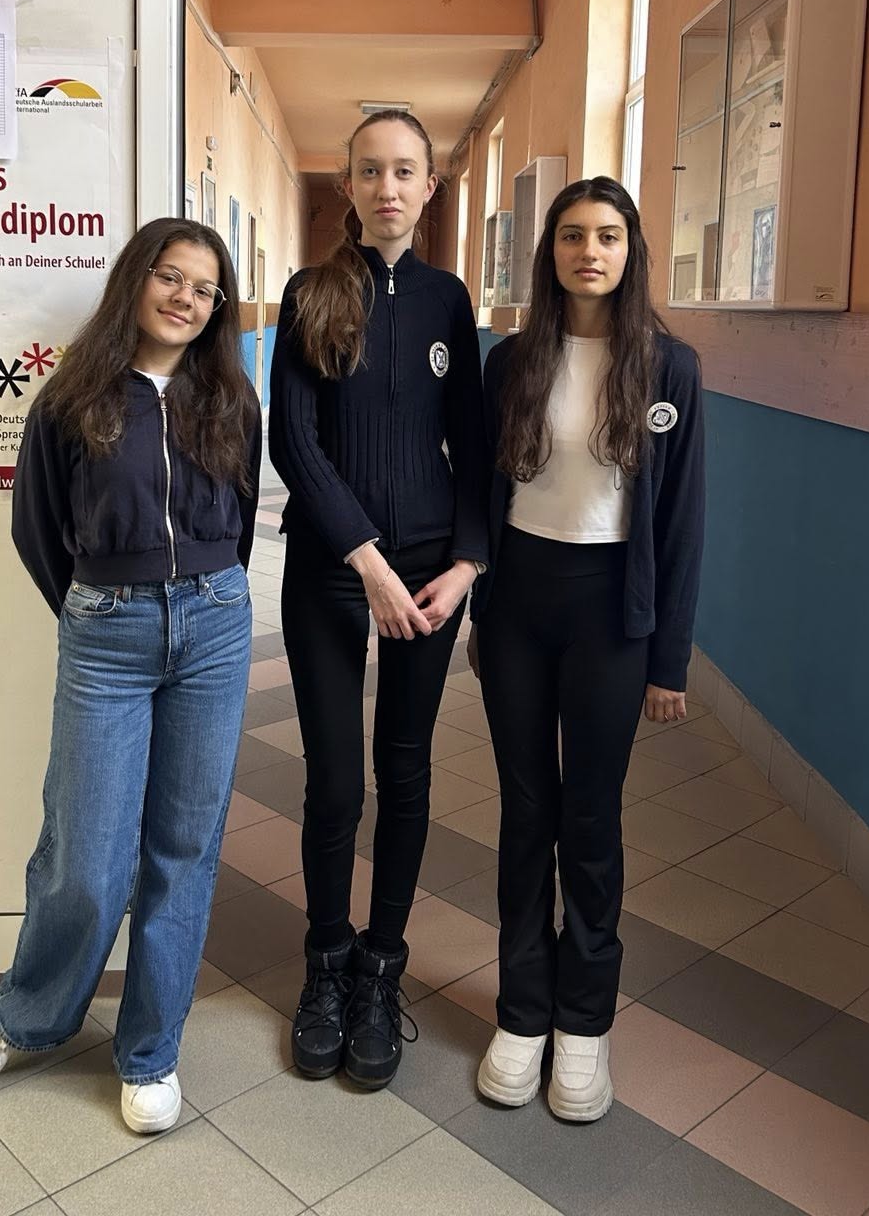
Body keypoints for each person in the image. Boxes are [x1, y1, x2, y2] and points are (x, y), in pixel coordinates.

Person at [0, 218, 261, 1134]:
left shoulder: (231, 399)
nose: (185, 298)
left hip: (215, 625)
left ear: (218, 308)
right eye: (170, 277)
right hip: (106, 635)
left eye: (204, 289)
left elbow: (239, 523)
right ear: (136, 279)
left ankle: (150, 1050)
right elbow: (37, 526)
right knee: (85, 854)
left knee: (183, 848)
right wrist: (98, 608)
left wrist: (203, 594)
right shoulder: (73, 395)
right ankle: (26, 1017)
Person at [471, 176, 704, 1123]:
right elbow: (483, 493)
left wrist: (668, 660)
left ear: (631, 249)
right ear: (551, 251)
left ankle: (583, 1023)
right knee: (528, 811)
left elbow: (681, 521)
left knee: (591, 818)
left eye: (608, 236)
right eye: (572, 236)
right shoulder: (510, 362)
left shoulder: (670, 368)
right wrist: (479, 606)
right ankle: (523, 1013)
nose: (589, 252)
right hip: (520, 605)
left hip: (613, 612)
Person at [269, 110, 488, 1090]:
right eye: (370, 171)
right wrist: (365, 556)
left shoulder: (448, 300)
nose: (388, 187)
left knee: (404, 771)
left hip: (432, 570)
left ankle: (380, 966)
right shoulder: (310, 294)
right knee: (335, 782)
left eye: (405, 171)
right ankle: (325, 962)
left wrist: (468, 561)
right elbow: (294, 441)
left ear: (429, 186)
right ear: (347, 185)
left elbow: (474, 442)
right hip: (333, 565)